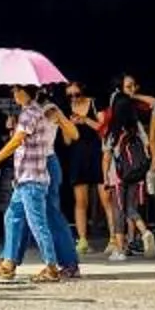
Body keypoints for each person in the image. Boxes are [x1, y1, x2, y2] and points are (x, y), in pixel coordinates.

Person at [0, 79, 80, 282]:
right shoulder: (30, 111)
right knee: (14, 215)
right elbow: (21, 138)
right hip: (31, 166)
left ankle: (62, 264)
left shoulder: (46, 109)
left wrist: (60, 118)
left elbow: (72, 135)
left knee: (45, 218)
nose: (13, 92)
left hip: (42, 165)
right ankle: (9, 261)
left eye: (17, 88)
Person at [101, 74, 155, 261]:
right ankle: (145, 231)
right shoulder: (136, 126)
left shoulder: (113, 132)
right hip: (136, 170)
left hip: (118, 174)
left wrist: (104, 178)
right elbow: (147, 146)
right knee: (131, 206)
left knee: (119, 209)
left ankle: (120, 250)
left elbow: (107, 156)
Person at [61, 84, 106, 256]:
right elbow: (67, 141)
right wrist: (68, 126)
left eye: (77, 94)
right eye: (69, 96)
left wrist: (85, 120)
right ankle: (82, 239)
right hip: (77, 157)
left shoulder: (94, 104)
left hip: (97, 154)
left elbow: (103, 128)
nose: (73, 98)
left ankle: (114, 239)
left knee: (106, 198)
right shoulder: (67, 111)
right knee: (81, 201)